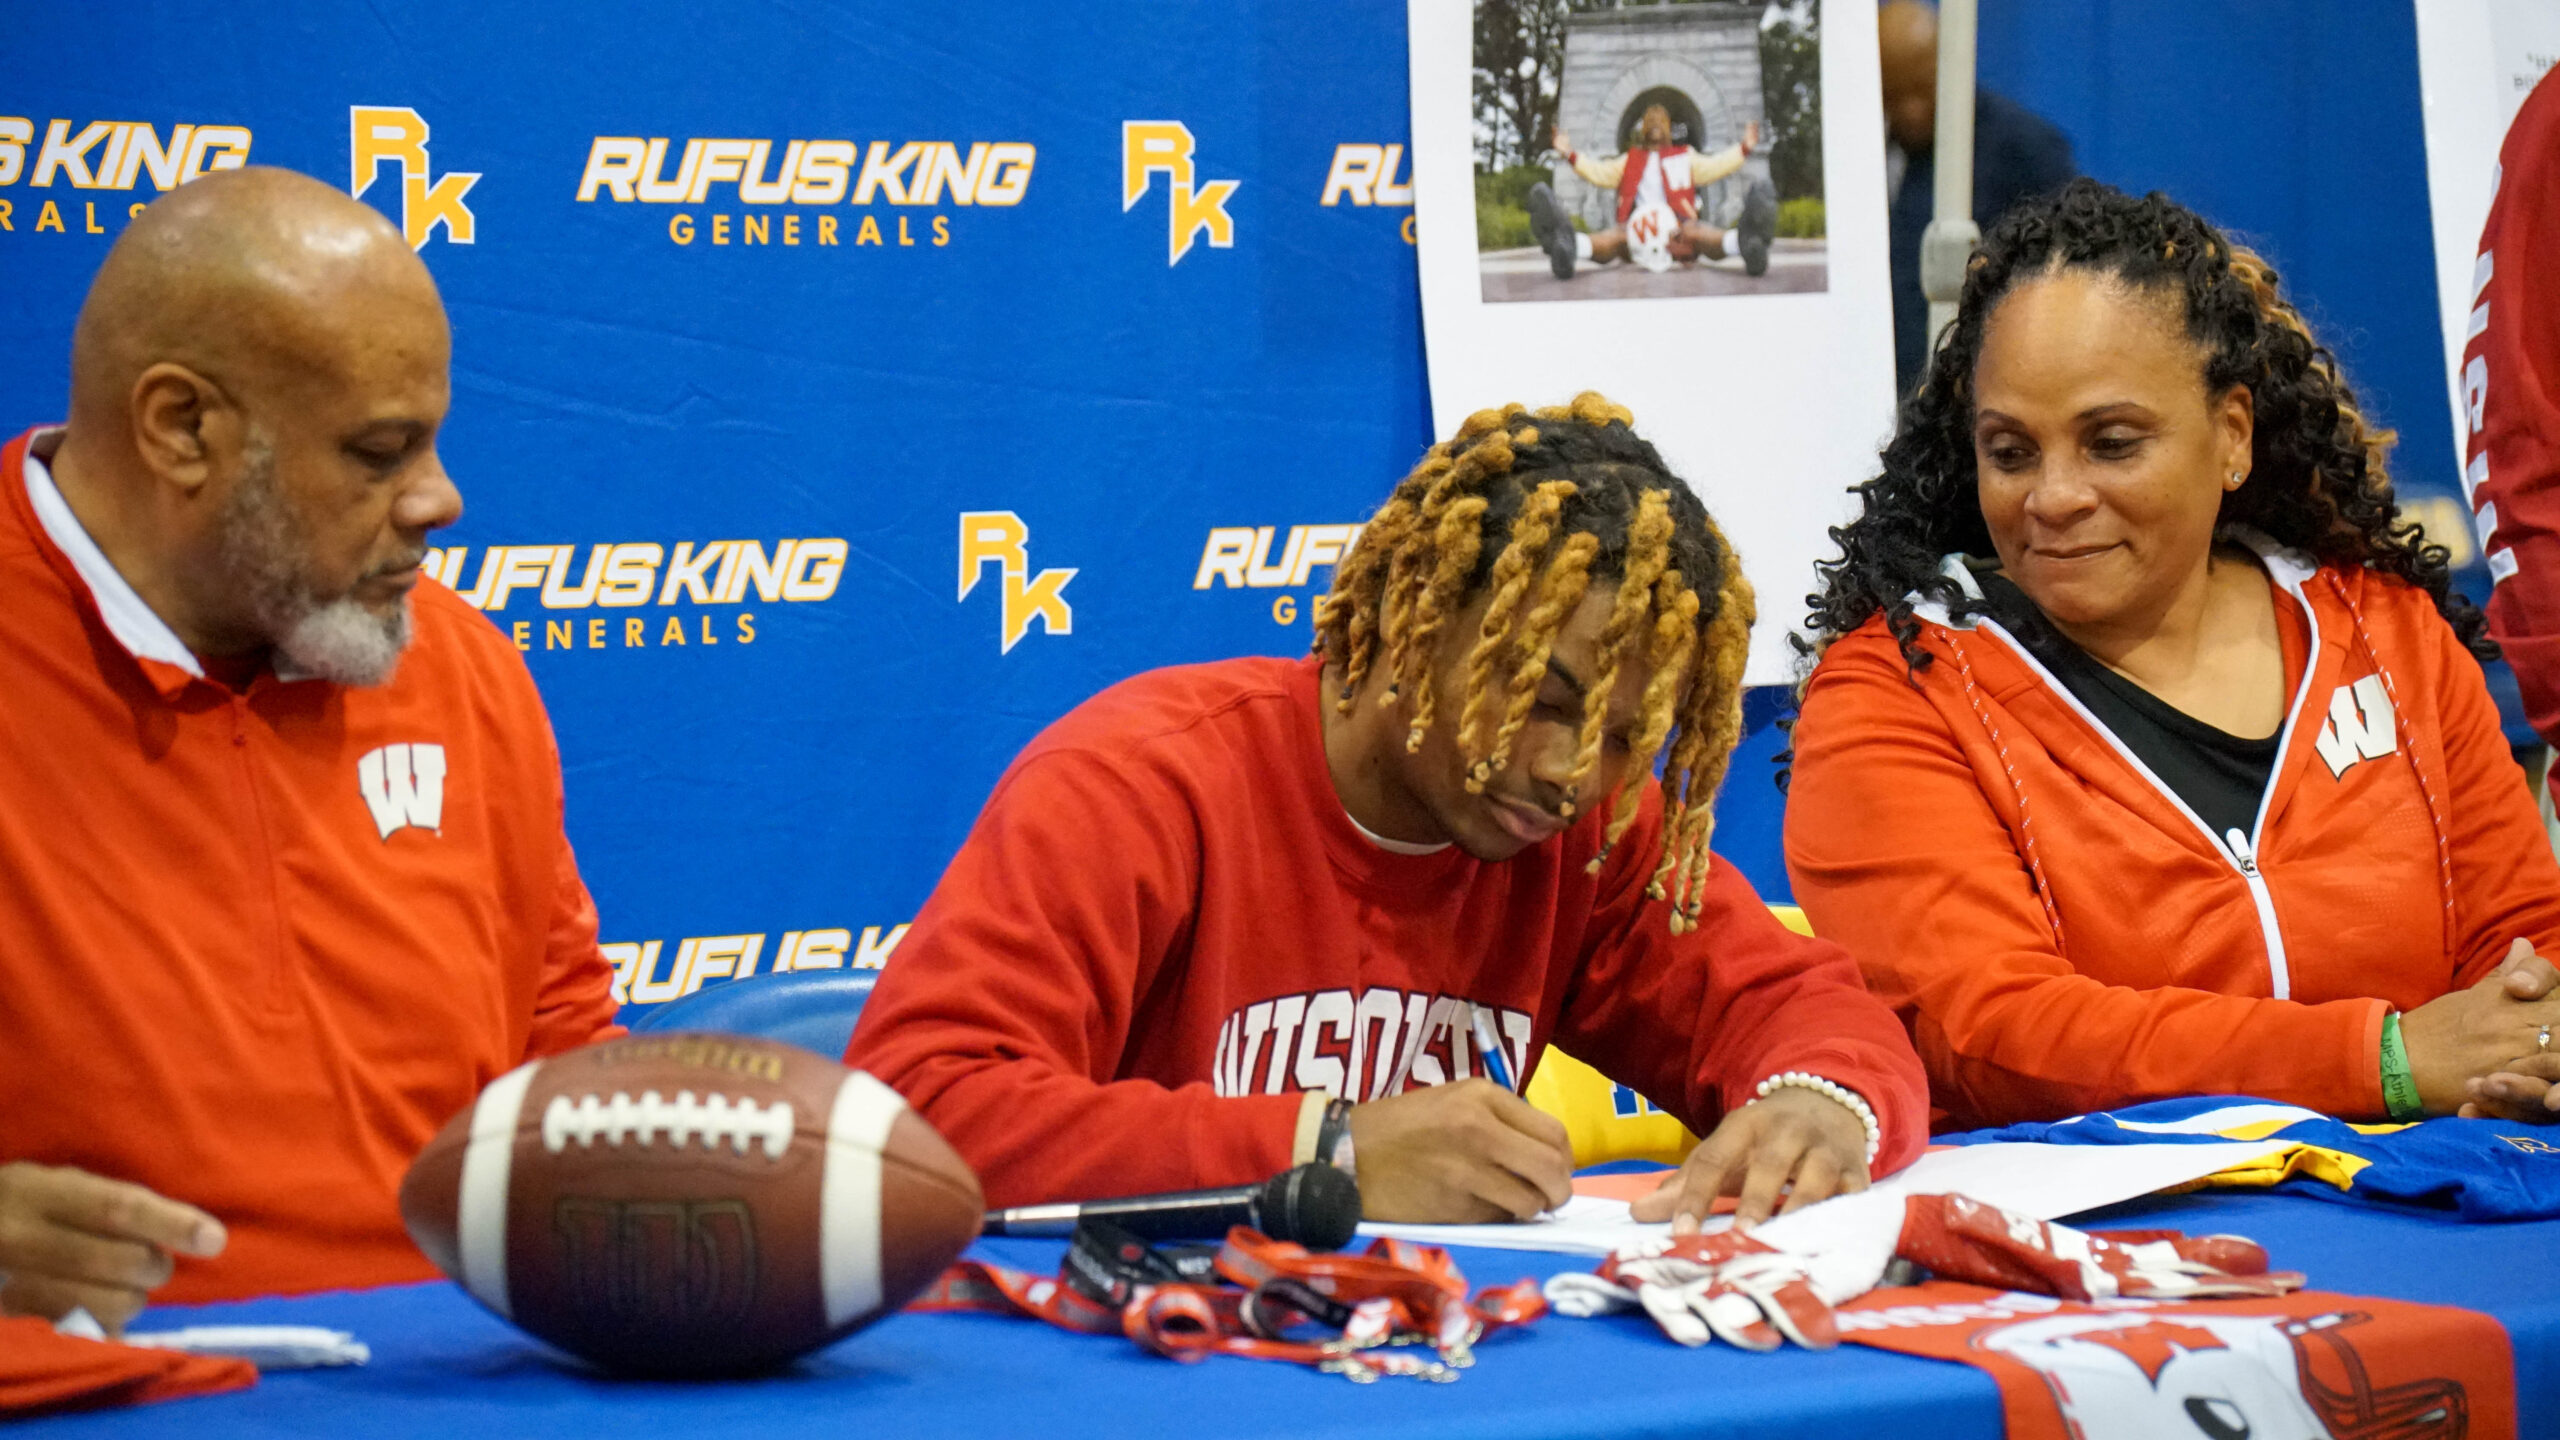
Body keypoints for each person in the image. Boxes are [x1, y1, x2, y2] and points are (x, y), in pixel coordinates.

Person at [848, 394, 1927, 1229]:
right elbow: (914, 1114)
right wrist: (1329, 1153)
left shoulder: (1585, 831)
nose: (1569, 771)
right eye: (1543, 700)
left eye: (1619, 737)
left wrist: (1819, 1105)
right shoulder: (1144, 780)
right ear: (1415, 613)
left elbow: (1807, 1011)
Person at [1784, 178, 2560, 1134]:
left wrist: (2527, 1047)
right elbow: (1989, 1033)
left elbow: (2523, 945)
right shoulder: (1895, 693)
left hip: (2430, 1205)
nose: (2054, 496)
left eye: (2112, 443)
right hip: (2092, 1247)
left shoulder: (2384, 630)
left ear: (2231, 433)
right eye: (2011, 451)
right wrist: (2380, 1060)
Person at [0, 167, 621, 1331]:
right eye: (380, 453)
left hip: (475, 1389)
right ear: (182, 427)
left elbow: (563, 1053)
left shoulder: (468, 671)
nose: (439, 500)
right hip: (103, 1394)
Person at [1879, 0, 2075, 396]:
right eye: (1894, 96)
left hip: (1977, 392)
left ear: (1952, 70)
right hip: (1886, 386)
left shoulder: (2026, 150)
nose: (1911, 111)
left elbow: (2066, 277)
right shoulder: (1865, 154)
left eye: (1923, 88)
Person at [1526, 106, 1777, 280]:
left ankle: (1746, 243)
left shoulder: (1684, 156)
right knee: (1617, 235)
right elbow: (1599, 171)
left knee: (1696, 230)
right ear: (1643, 127)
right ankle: (1568, 248)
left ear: (1668, 127)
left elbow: (1715, 165)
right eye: (1650, 119)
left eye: (1661, 119)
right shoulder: (1630, 160)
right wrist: (1569, 153)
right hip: (1638, 233)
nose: (1656, 123)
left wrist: (1744, 148)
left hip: (1678, 232)